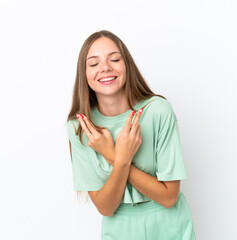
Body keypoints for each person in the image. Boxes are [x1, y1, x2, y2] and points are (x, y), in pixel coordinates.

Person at [66, 30, 196, 240]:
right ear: (84, 74)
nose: (105, 68)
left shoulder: (158, 111)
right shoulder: (80, 128)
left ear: (127, 65)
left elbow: (169, 197)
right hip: (118, 228)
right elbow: (105, 208)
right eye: (93, 63)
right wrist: (122, 160)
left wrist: (113, 156)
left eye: (114, 59)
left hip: (169, 224)